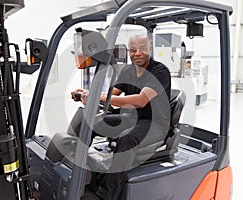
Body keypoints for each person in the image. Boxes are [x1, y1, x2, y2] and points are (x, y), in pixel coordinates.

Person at [70, 34, 171, 200]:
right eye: (133, 50)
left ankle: (106, 195)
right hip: (130, 118)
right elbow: (111, 94)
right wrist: (86, 93)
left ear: (150, 50)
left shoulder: (160, 72)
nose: (137, 53)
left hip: (154, 123)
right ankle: (76, 172)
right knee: (90, 122)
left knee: (126, 139)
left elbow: (140, 100)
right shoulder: (127, 70)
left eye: (142, 49)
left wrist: (98, 97)